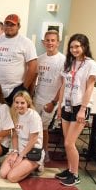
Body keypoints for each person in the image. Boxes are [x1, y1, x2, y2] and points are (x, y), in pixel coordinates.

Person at [56, 34, 96, 186]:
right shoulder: (68, 63)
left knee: (69, 143)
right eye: (72, 47)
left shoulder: (90, 64)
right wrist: (59, 107)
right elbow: (63, 86)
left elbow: (90, 87)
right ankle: (70, 169)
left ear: (84, 46)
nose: (74, 49)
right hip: (66, 105)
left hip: (80, 105)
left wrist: (83, 109)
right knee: (67, 142)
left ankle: (76, 175)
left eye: (77, 46)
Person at [0, 14, 37, 105]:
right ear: (3, 26)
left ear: (19, 26)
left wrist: (24, 88)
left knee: (15, 117)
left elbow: (33, 66)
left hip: (16, 88)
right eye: (6, 24)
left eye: (12, 25)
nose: (9, 27)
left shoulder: (26, 43)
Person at [33, 30, 65, 162]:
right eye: (47, 40)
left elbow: (63, 84)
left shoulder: (63, 60)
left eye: (53, 40)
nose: (50, 43)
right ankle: (33, 149)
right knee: (34, 126)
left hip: (51, 100)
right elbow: (35, 78)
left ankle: (44, 152)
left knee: (44, 128)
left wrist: (53, 102)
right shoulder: (39, 59)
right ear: (43, 42)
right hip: (37, 98)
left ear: (58, 42)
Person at [0, 91, 44, 183]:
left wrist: (21, 156)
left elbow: (33, 140)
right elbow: (15, 135)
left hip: (32, 151)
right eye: (17, 102)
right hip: (19, 150)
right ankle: (23, 166)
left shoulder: (33, 116)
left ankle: (37, 166)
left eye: (22, 103)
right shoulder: (14, 114)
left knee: (11, 177)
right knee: (3, 174)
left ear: (28, 103)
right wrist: (15, 152)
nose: (19, 105)